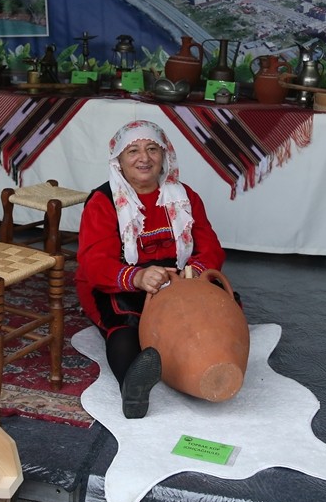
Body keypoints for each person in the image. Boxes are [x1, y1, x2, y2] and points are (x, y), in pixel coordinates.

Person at [76, 120, 230, 419]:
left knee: (215, 312)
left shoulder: (184, 197)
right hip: (119, 282)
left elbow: (210, 246)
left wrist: (192, 274)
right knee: (125, 329)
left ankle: (210, 372)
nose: (143, 158)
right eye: (132, 150)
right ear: (118, 161)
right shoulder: (103, 202)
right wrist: (137, 277)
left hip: (179, 280)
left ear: (165, 156)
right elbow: (95, 263)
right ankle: (132, 389)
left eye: (151, 149)